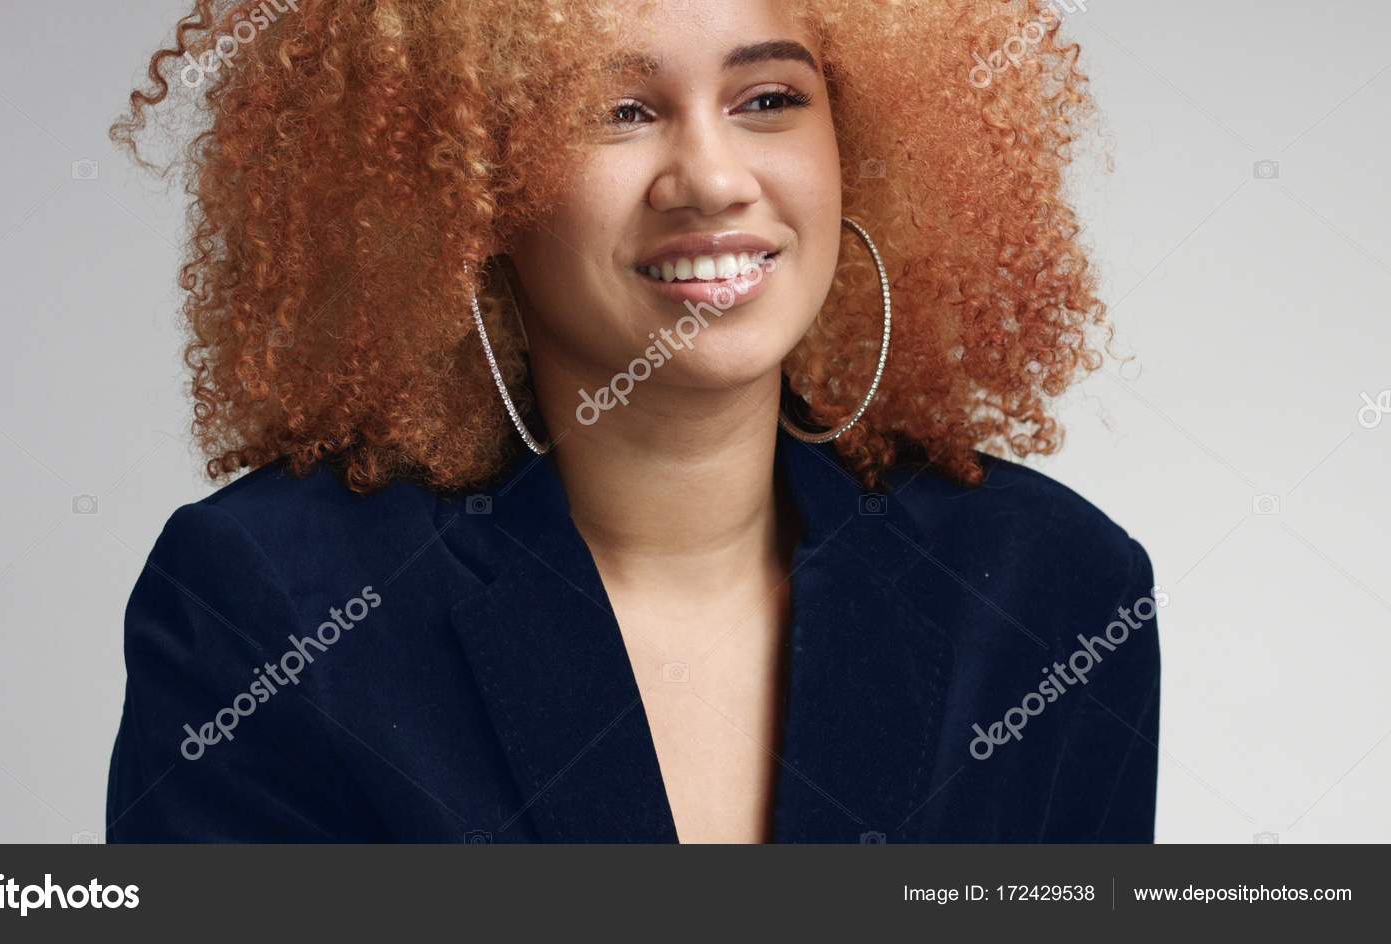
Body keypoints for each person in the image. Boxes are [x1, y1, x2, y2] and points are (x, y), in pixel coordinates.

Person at [106, 0, 1160, 843]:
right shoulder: (275, 609)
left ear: (861, 144)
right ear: (466, 187)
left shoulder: (1048, 592)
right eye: (617, 110)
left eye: (767, 98)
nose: (710, 177)